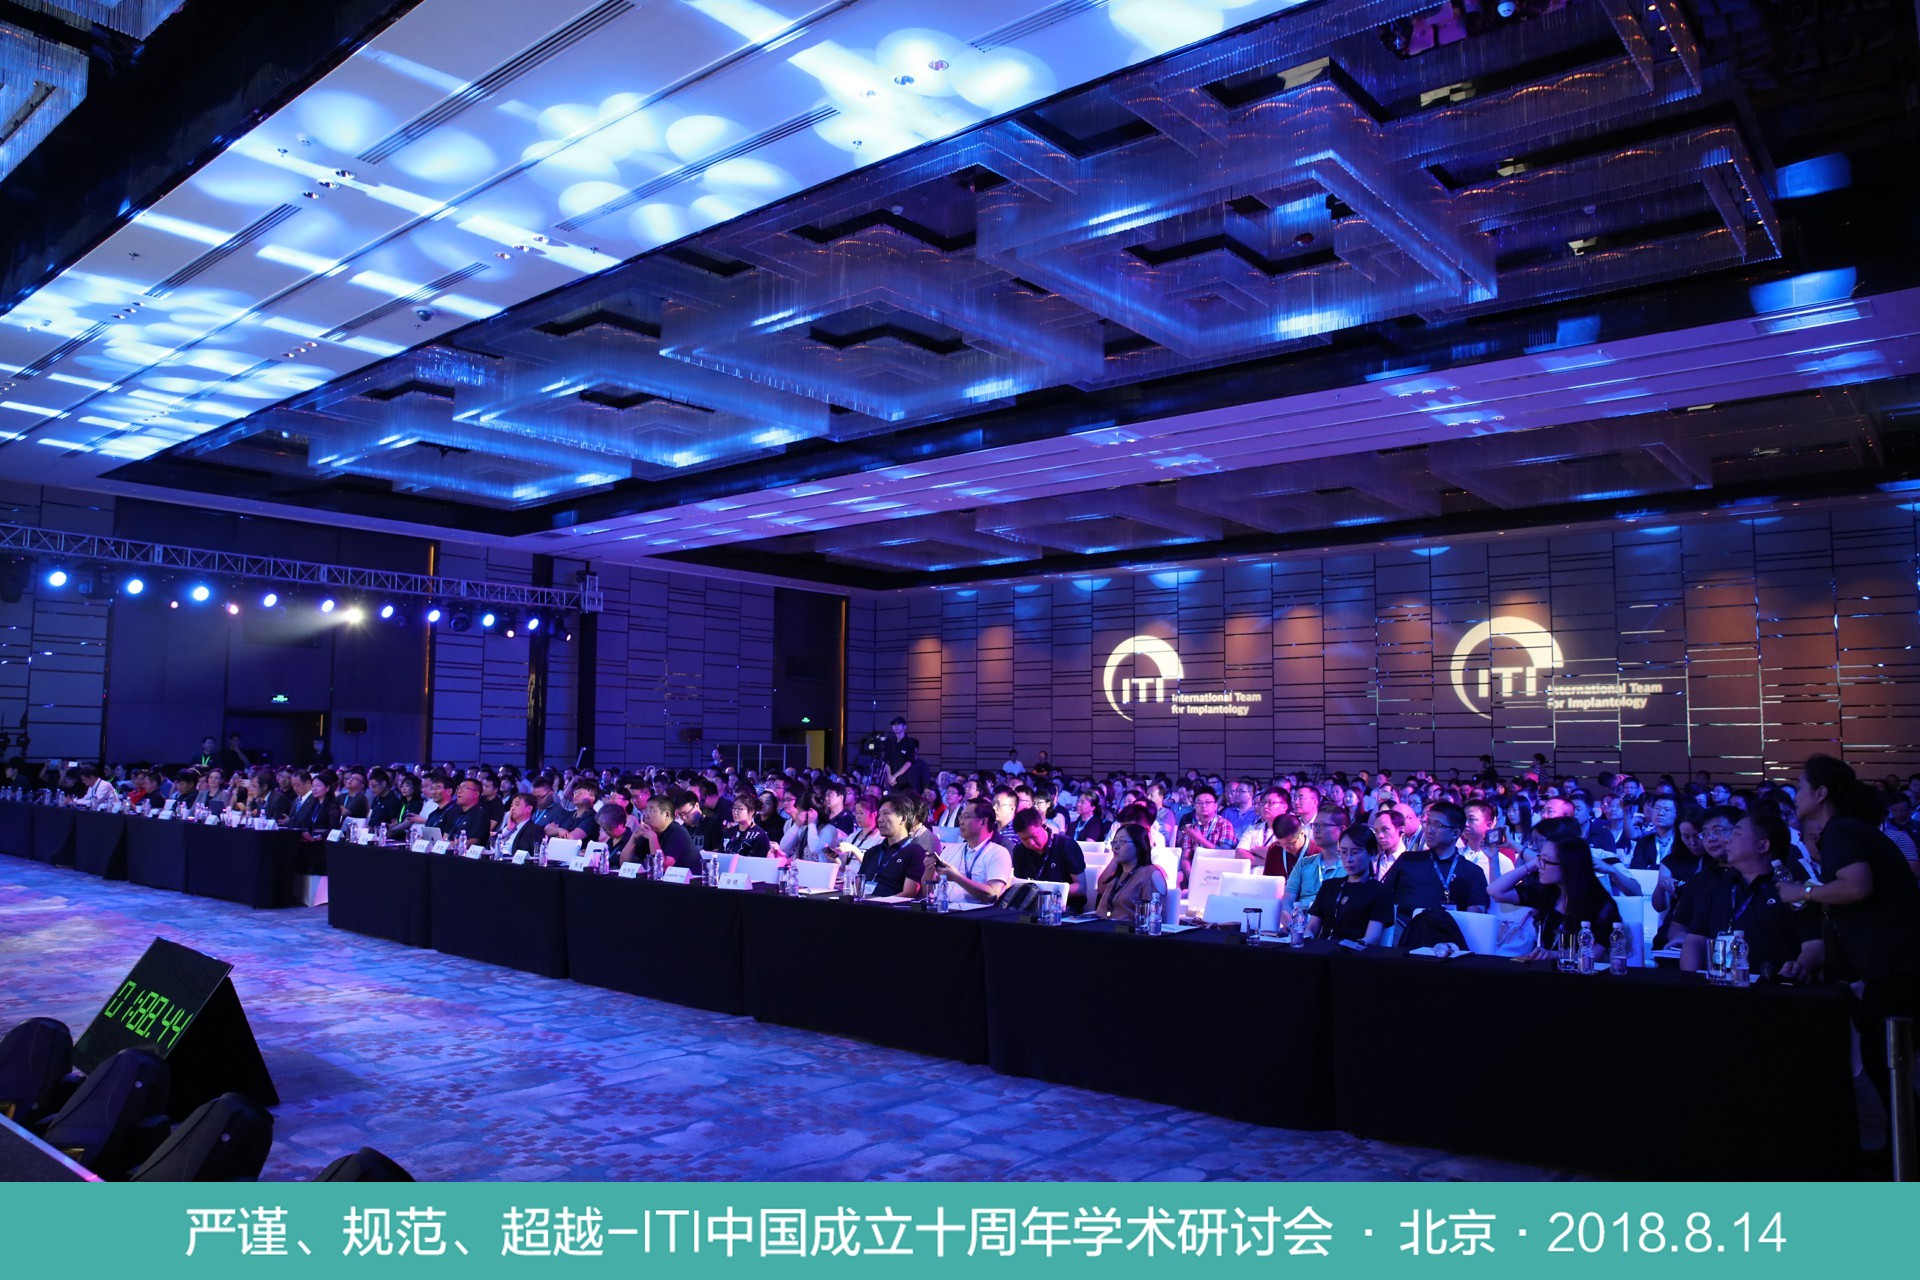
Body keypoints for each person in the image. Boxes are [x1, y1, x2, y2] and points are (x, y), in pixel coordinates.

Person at [1778, 755, 1920, 1111]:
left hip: (1894, 962)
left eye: (1800, 786)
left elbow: (1857, 887)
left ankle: (1907, 1142)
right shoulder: (1852, 829)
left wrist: (1801, 892)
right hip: (1897, 961)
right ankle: (1901, 1139)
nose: (1796, 794)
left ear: (1821, 793)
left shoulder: (1841, 830)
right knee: (1887, 1061)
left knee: (1884, 1058)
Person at [1680, 811, 1820, 979]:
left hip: (1775, 987)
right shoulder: (1718, 890)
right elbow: (1695, 940)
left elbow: (1814, 943)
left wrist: (1799, 967)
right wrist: (1690, 981)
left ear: (1763, 846)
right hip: (1720, 985)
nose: (1727, 840)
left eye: (1736, 834)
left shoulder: (1793, 889)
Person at [1490, 829, 1620, 964]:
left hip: (1580, 973)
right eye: (1539, 858)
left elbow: (1593, 955)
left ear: (1568, 866)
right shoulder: (1547, 891)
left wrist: (1555, 955)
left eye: (1546, 861)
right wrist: (1531, 865)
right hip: (1544, 970)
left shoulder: (1601, 904)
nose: (1539, 865)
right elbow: (1495, 891)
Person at [1382, 801, 1490, 929]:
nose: (1429, 830)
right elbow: (1383, 897)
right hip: (1401, 931)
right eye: (1428, 823)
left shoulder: (1472, 872)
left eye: (1438, 825)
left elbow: (1475, 918)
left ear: (1455, 833)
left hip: (1447, 935)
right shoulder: (1407, 860)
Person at [1302, 837, 1392, 946]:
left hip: (1354, 952)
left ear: (1371, 854)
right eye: (1343, 852)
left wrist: (1352, 946)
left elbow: (1372, 937)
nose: (1348, 859)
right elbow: (1312, 928)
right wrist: (1306, 938)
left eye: (1355, 852)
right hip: (1322, 949)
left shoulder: (1380, 891)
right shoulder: (1329, 886)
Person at [1283, 812, 1356, 930]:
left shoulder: (1351, 866)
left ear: (1342, 830)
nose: (1316, 830)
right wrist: (1294, 926)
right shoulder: (1304, 863)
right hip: (1299, 928)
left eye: (1322, 825)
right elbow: (1286, 902)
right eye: (1314, 825)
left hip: (1331, 930)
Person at [931, 800, 1013, 904]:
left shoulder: (998, 853)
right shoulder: (950, 850)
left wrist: (956, 877)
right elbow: (929, 892)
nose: (961, 822)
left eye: (966, 817)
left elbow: (993, 895)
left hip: (976, 912)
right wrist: (929, 870)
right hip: (944, 909)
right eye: (960, 817)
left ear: (983, 822)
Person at [1091, 822, 1168, 925]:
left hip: (1124, 932)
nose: (1116, 847)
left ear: (1139, 846)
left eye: (1122, 842)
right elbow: (1101, 889)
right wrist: (1115, 858)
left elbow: (1153, 921)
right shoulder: (1118, 874)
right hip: (1100, 928)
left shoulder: (1151, 874)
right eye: (1114, 842)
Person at [854, 794, 926, 898]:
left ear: (903, 819)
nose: (879, 819)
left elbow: (908, 894)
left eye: (886, 813)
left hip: (890, 907)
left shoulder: (916, 853)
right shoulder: (872, 852)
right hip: (864, 904)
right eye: (879, 814)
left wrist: (877, 903)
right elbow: (857, 887)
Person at [1009, 807, 1086, 900]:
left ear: (1043, 825)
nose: (1031, 843)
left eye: (1034, 836)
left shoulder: (1066, 845)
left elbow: (1081, 887)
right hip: (1032, 903)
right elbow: (1020, 886)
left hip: (1066, 903)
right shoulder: (1019, 851)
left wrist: (1047, 892)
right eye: (1024, 839)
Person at [635, 793, 698, 873]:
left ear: (667, 815)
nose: (646, 816)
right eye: (646, 811)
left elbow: (663, 867)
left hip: (691, 880)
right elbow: (625, 861)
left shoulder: (678, 832)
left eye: (652, 811)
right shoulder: (651, 831)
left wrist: (652, 837)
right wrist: (634, 837)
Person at [721, 793, 772, 860]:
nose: (735, 812)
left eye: (740, 809)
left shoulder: (760, 835)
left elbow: (760, 861)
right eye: (734, 808)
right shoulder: (729, 831)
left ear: (751, 812)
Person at [882, 717, 920, 788]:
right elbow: (886, 761)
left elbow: (909, 762)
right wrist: (890, 776)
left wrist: (895, 776)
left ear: (904, 726)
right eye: (894, 725)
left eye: (898, 724)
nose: (896, 727)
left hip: (906, 781)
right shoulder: (890, 742)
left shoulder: (910, 742)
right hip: (892, 782)